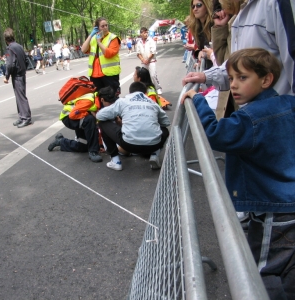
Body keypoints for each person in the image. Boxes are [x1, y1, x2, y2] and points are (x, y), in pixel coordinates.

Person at [181, 48, 295, 300]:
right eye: (231, 78)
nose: (233, 85)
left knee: (263, 270)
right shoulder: (288, 103)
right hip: (286, 202)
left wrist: (197, 100)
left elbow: (216, 134)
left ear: (266, 79)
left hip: (274, 209)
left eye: (242, 78)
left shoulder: (251, 118)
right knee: (288, 265)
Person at [182, 0, 295, 97]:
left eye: (198, 5)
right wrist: (205, 76)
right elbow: (235, 66)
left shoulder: (274, 4)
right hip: (253, 114)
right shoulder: (239, 15)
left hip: (278, 114)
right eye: (193, 6)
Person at [96, 82, 170, 171]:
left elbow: (99, 116)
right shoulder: (152, 103)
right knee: (164, 130)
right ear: (145, 92)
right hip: (153, 145)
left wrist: (117, 117)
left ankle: (116, 161)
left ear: (130, 91)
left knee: (103, 123)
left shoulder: (123, 101)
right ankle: (155, 155)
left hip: (129, 145)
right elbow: (166, 122)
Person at [47, 87, 111, 163]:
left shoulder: (97, 101)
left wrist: (100, 144)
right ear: (103, 99)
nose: (110, 105)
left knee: (84, 146)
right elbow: (73, 115)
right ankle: (93, 152)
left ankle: (61, 141)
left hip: (79, 119)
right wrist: (89, 113)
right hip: (68, 118)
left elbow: (98, 126)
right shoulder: (88, 101)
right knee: (90, 119)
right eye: (110, 103)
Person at [81, 16, 121, 95]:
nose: (105, 27)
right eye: (102, 26)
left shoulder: (113, 38)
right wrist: (91, 35)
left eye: (106, 25)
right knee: (98, 99)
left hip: (109, 74)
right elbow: (83, 49)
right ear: (97, 28)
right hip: (95, 75)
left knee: (111, 98)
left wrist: (99, 43)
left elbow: (109, 54)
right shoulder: (93, 39)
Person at [3, 27, 32, 128]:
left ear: (6, 39)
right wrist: (24, 69)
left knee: (21, 97)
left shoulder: (9, 48)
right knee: (20, 96)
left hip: (16, 75)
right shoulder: (19, 46)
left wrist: (6, 76)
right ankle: (22, 116)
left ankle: (26, 118)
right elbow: (27, 60)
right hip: (21, 74)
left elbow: (9, 64)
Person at [136, 27, 163, 96]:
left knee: (153, 75)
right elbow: (138, 53)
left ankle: (158, 88)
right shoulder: (139, 42)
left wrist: (148, 60)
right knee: (144, 77)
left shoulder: (151, 41)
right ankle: (146, 90)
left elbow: (153, 52)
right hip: (144, 62)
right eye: (144, 32)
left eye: (147, 32)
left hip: (151, 61)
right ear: (141, 33)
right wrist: (143, 60)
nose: (146, 34)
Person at [187, 0, 214, 69]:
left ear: (207, 6)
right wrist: (199, 55)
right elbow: (199, 49)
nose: (195, 9)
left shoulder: (214, 24)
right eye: (193, 6)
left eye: (199, 5)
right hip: (207, 68)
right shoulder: (196, 27)